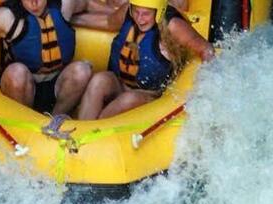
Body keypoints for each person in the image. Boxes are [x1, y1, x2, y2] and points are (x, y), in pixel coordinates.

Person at [0, 0, 93, 116]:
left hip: (57, 85)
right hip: (23, 87)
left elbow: (86, 4)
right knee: (15, 72)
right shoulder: (7, 16)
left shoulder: (65, 4)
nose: (34, 4)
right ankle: (25, 120)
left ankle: (54, 120)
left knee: (82, 70)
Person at [73, 0, 213, 120]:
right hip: (119, 83)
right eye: (137, 12)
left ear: (158, 12)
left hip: (150, 95)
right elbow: (108, 22)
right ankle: (81, 131)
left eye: (146, 14)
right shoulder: (129, 10)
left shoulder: (174, 25)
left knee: (128, 99)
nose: (140, 19)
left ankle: (92, 132)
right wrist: (65, 17)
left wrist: (205, 89)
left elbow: (206, 49)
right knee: (99, 80)